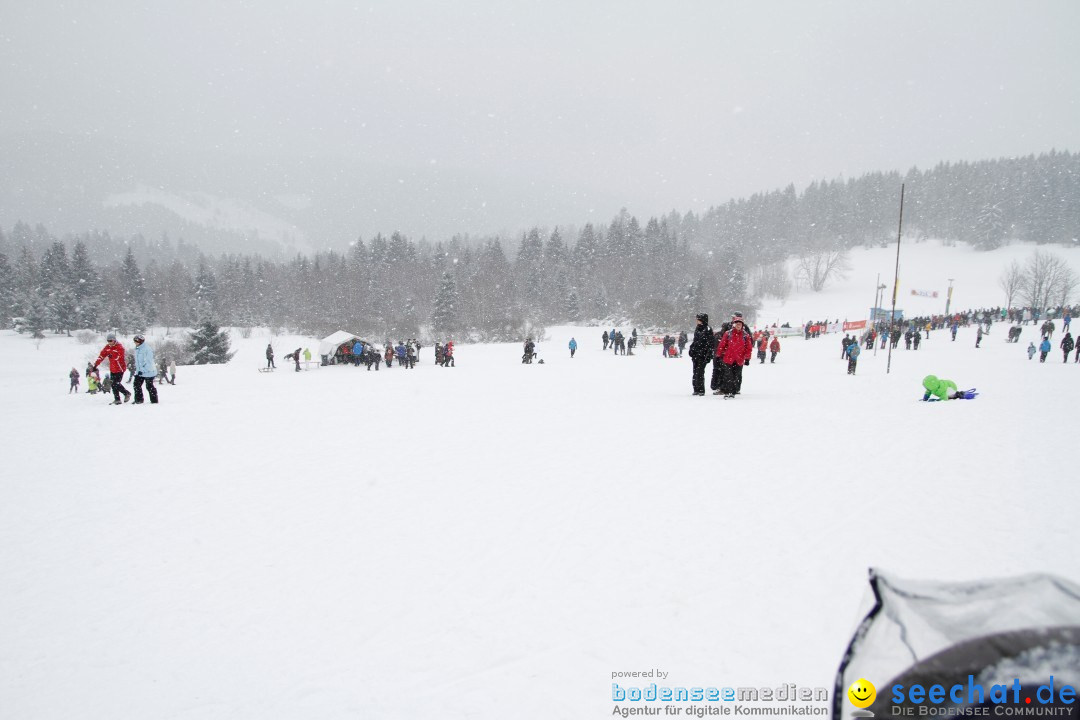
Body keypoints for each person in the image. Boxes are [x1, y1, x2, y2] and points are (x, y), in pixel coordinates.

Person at [714, 316, 752, 397]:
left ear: (742, 325)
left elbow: (748, 348)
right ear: (734, 325)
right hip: (728, 358)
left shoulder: (745, 335)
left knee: (736, 375)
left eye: (740, 324)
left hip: (739, 359)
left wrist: (747, 358)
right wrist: (718, 355)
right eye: (737, 324)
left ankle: (733, 391)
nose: (738, 325)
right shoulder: (728, 333)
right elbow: (722, 345)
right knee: (728, 375)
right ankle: (728, 391)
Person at [93, 332, 132, 404]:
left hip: (120, 368)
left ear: (114, 340)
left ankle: (126, 393)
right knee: (113, 384)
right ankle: (117, 399)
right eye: (108, 341)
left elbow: (119, 357)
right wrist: (95, 365)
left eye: (110, 341)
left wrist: (112, 355)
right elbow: (101, 356)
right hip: (113, 368)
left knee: (115, 383)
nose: (109, 342)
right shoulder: (107, 347)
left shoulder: (119, 347)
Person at [687, 313, 714, 396]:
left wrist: (708, 354)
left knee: (700, 372)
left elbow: (710, 343)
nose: (697, 321)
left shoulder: (708, 329)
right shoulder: (698, 328)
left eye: (698, 319)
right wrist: (691, 349)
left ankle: (701, 390)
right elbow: (695, 341)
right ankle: (696, 389)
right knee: (695, 372)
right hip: (696, 354)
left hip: (703, 354)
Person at [131, 334, 159, 404]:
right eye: (134, 341)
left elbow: (148, 361)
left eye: (136, 341)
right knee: (136, 385)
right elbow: (138, 361)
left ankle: (154, 400)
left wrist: (142, 370)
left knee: (149, 386)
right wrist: (138, 370)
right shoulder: (137, 349)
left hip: (149, 371)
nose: (135, 343)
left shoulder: (147, 349)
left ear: (140, 341)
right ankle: (138, 400)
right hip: (140, 371)